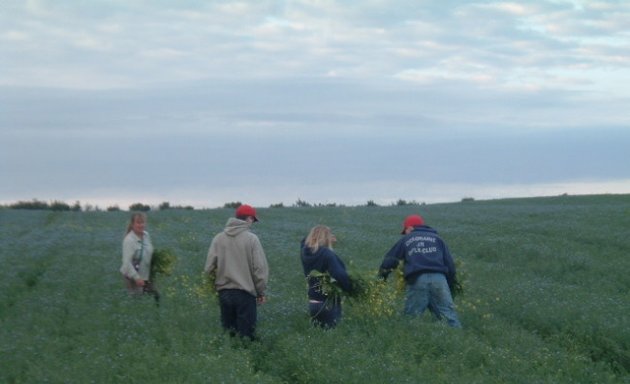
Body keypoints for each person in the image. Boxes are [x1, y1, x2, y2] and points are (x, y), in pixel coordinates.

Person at [378, 214, 461, 328]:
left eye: (405, 230)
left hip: (417, 280)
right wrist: (450, 284)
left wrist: (382, 279)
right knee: (449, 317)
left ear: (411, 227)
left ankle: (409, 342)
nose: (405, 233)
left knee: (410, 319)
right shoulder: (438, 239)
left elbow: (390, 260)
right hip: (439, 279)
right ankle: (455, 339)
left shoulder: (406, 239)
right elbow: (450, 265)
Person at [204, 204, 269, 340]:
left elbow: (209, 268)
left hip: (224, 294)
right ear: (249, 219)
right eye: (253, 220)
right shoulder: (252, 239)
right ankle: (247, 359)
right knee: (247, 336)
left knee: (229, 335)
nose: (253, 224)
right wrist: (261, 291)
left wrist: (214, 285)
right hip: (245, 295)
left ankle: (230, 359)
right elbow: (259, 269)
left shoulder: (218, 238)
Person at [301, 225, 352, 328]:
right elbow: (340, 275)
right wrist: (350, 288)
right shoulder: (327, 254)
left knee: (317, 339)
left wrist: (318, 235)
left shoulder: (305, 253)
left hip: (313, 302)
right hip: (328, 302)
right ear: (325, 238)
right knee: (332, 338)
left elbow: (304, 242)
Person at [120, 212, 160, 304]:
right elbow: (126, 263)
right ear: (133, 224)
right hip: (133, 275)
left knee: (156, 296)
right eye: (138, 222)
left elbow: (149, 251)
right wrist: (136, 278)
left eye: (143, 222)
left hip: (146, 274)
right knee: (137, 302)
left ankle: (156, 316)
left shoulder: (146, 235)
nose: (141, 225)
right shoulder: (129, 240)